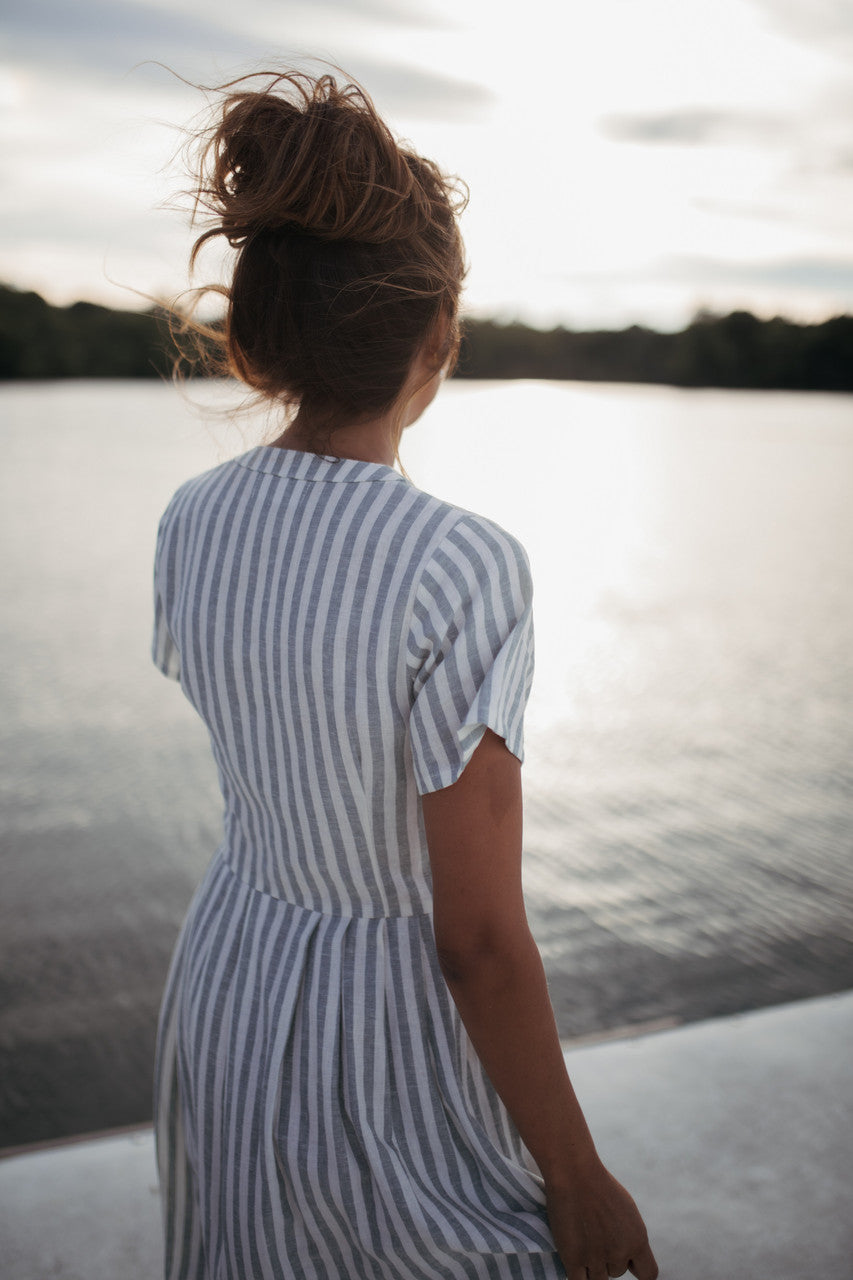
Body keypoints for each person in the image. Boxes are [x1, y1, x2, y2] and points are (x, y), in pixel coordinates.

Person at [152, 70, 658, 1280]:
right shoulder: (461, 566)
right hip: (382, 1037)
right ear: (438, 338)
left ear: (257, 334)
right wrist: (578, 1175)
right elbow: (475, 936)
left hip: (229, 983)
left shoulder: (189, 519)